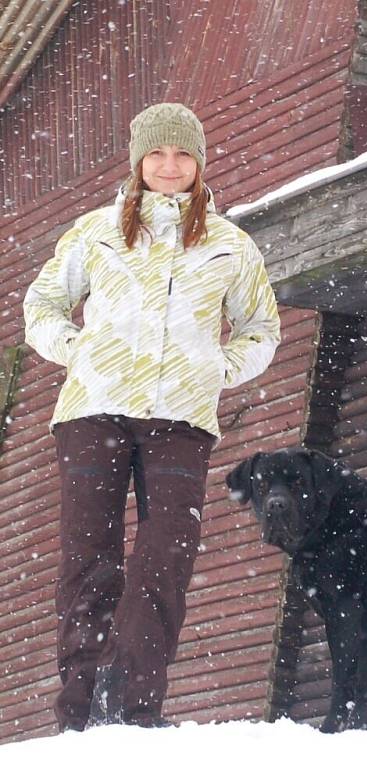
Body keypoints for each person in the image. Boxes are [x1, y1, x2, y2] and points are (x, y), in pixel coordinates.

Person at [24, 103, 281, 731]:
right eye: (157, 155)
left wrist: (216, 370)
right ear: (138, 161)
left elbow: (262, 328)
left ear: (198, 161)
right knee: (90, 555)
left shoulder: (230, 245)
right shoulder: (96, 231)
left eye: (182, 154)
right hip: (94, 410)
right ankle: (78, 711)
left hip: (182, 420)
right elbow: (43, 303)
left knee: (166, 554)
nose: (169, 167)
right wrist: (77, 349)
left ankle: (133, 707)